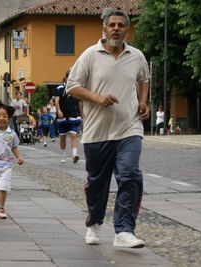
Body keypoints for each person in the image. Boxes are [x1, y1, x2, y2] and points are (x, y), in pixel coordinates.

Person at [66, 9, 150, 248]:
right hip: (97, 131)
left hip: (129, 128)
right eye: (112, 25)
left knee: (130, 174)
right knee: (97, 183)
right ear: (104, 29)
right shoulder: (90, 55)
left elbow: (144, 79)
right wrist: (97, 97)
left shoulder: (137, 56)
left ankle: (124, 230)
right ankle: (94, 224)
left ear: (127, 29)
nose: (116, 29)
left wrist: (143, 102)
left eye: (121, 25)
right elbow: (72, 86)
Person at [55, 69, 83, 163]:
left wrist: (82, 116)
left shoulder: (77, 89)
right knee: (63, 137)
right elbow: (56, 101)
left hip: (73, 116)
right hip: (62, 117)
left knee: (73, 135)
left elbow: (79, 103)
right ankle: (63, 155)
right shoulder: (59, 89)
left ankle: (74, 154)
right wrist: (59, 110)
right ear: (66, 78)